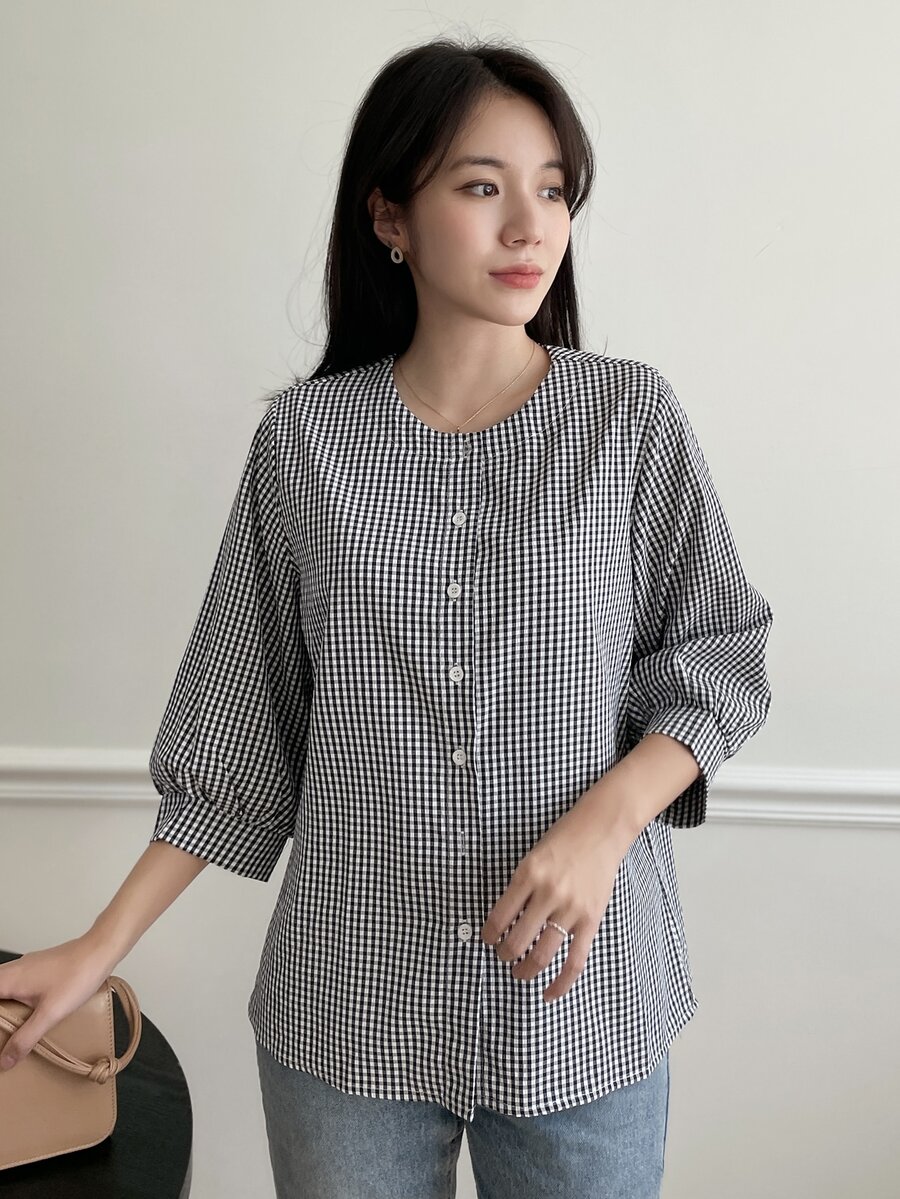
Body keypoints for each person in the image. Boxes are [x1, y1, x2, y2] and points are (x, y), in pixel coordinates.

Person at [0, 35, 774, 1199]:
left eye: (553, 189)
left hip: (582, 1012)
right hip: (348, 1018)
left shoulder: (628, 420)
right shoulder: (304, 444)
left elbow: (720, 654)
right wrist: (94, 950)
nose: (531, 225)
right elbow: (236, 735)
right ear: (390, 216)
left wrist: (605, 823)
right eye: (483, 186)